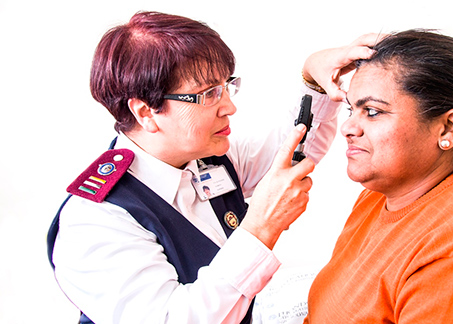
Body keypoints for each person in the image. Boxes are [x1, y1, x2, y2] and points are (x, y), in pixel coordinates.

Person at [46, 11, 377, 324]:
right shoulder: (96, 222)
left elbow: (292, 153)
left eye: (227, 85)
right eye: (209, 94)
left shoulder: (208, 156)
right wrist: (261, 228)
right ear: (146, 112)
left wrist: (314, 82)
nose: (229, 106)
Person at [303, 29, 453, 323]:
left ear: (448, 128)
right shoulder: (378, 198)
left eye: (373, 112)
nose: (349, 128)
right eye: (352, 110)